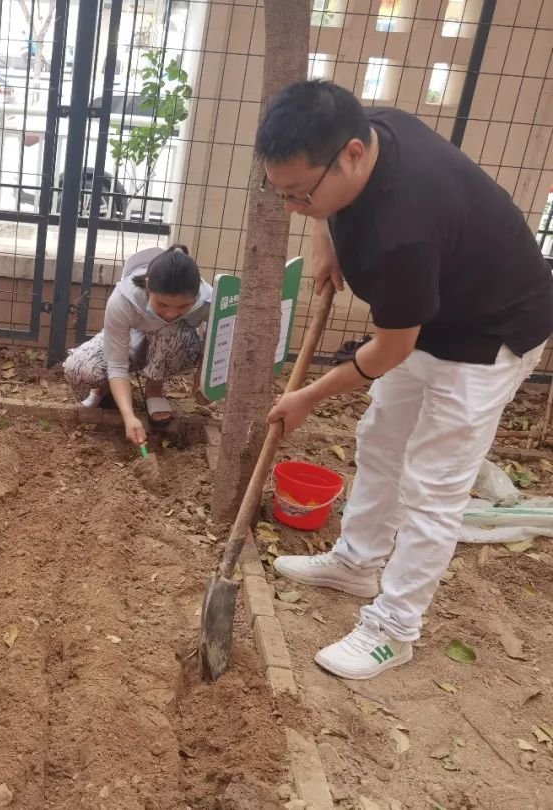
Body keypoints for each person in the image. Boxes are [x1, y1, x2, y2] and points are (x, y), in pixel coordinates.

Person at [257, 80, 553, 680]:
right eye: (279, 191)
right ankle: (357, 562)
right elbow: (320, 198)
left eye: (299, 194)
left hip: (489, 334)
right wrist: (322, 235)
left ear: (352, 157)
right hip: (434, 312)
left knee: (433, 485)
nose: (290, 204)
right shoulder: (369, 127)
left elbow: (391, 348)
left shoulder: (405, 231)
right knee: (381, 439)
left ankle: (394, 628)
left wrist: (309, 396)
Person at [63, 245, 212, 446]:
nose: (170, 313)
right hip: (131, 339)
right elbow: (116, 363)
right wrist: (129, 417)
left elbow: (216, 342)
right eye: (162, 304)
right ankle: (104, 389)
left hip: (171, 345)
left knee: (168, 328)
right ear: (148, 286)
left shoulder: (207, 302)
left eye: (183, 307)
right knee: (78, 369)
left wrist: (204, 380)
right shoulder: (124, 298)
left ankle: (154, 390)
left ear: (196, 295)